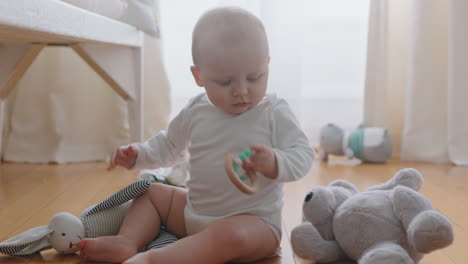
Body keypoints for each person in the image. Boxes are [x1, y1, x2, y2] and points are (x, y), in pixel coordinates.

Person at [77, 6, 314, 264]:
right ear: (198, 76)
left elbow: (303, 154)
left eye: (254, 77)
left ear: (266, 64)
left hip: (254, 225)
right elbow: (168, 146)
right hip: (194, 213)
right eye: (225, 82)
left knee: (227, 234)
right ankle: (127, 241)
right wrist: (138, 155)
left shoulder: (274, 112)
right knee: (152, 193)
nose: (241, 90)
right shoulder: (196, 110)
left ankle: (155, 259)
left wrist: (276, 162)